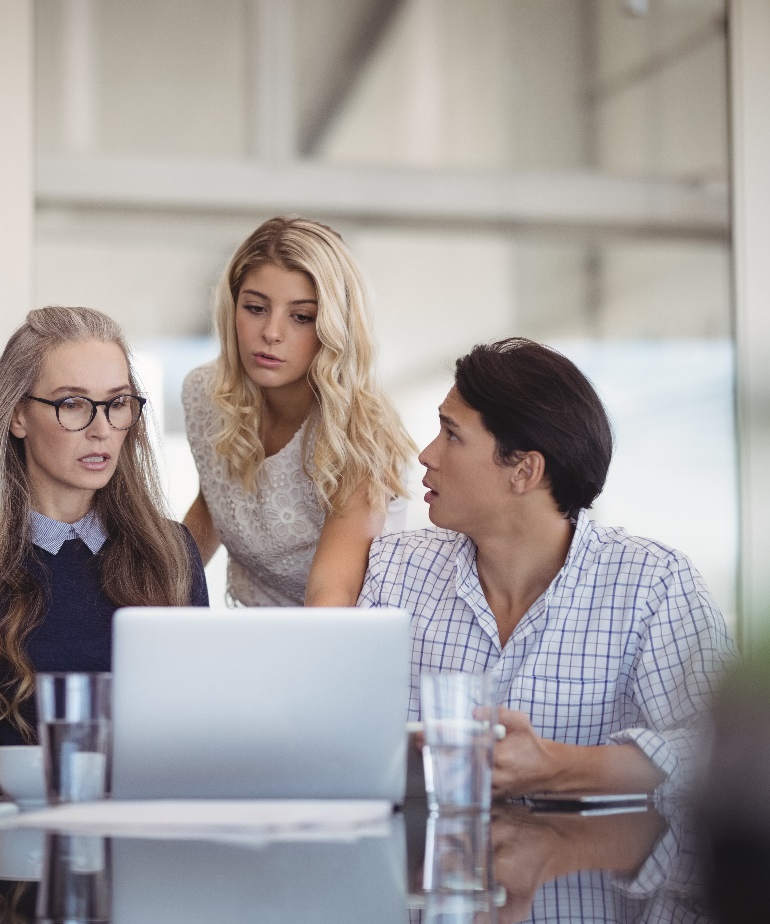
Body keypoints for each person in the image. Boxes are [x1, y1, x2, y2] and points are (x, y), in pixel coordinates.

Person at [361, 338, 734, 798]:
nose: (427, 455)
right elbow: (337, 729)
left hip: (602, 865)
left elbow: (728, 753)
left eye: (452, 434)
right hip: (423, 860)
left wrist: (558, 766)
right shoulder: (393, 570)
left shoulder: (653, 585)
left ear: (524, 471)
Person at [0, 307, 208, 794]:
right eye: (73, 404)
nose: (102, 428)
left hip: (141, 849)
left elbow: (200, 744)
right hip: (9, 857)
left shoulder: (172, 554)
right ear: (18, 415)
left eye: (117, 403)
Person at [182, 216, 415, 607]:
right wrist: (141, 597)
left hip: (334, 645)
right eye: (255, 308)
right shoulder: (206, 394)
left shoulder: (361, 438)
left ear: (334, 326)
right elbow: (216, 505)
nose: (272, 332)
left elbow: (331, 596)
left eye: (301, 316)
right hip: (249, 636)